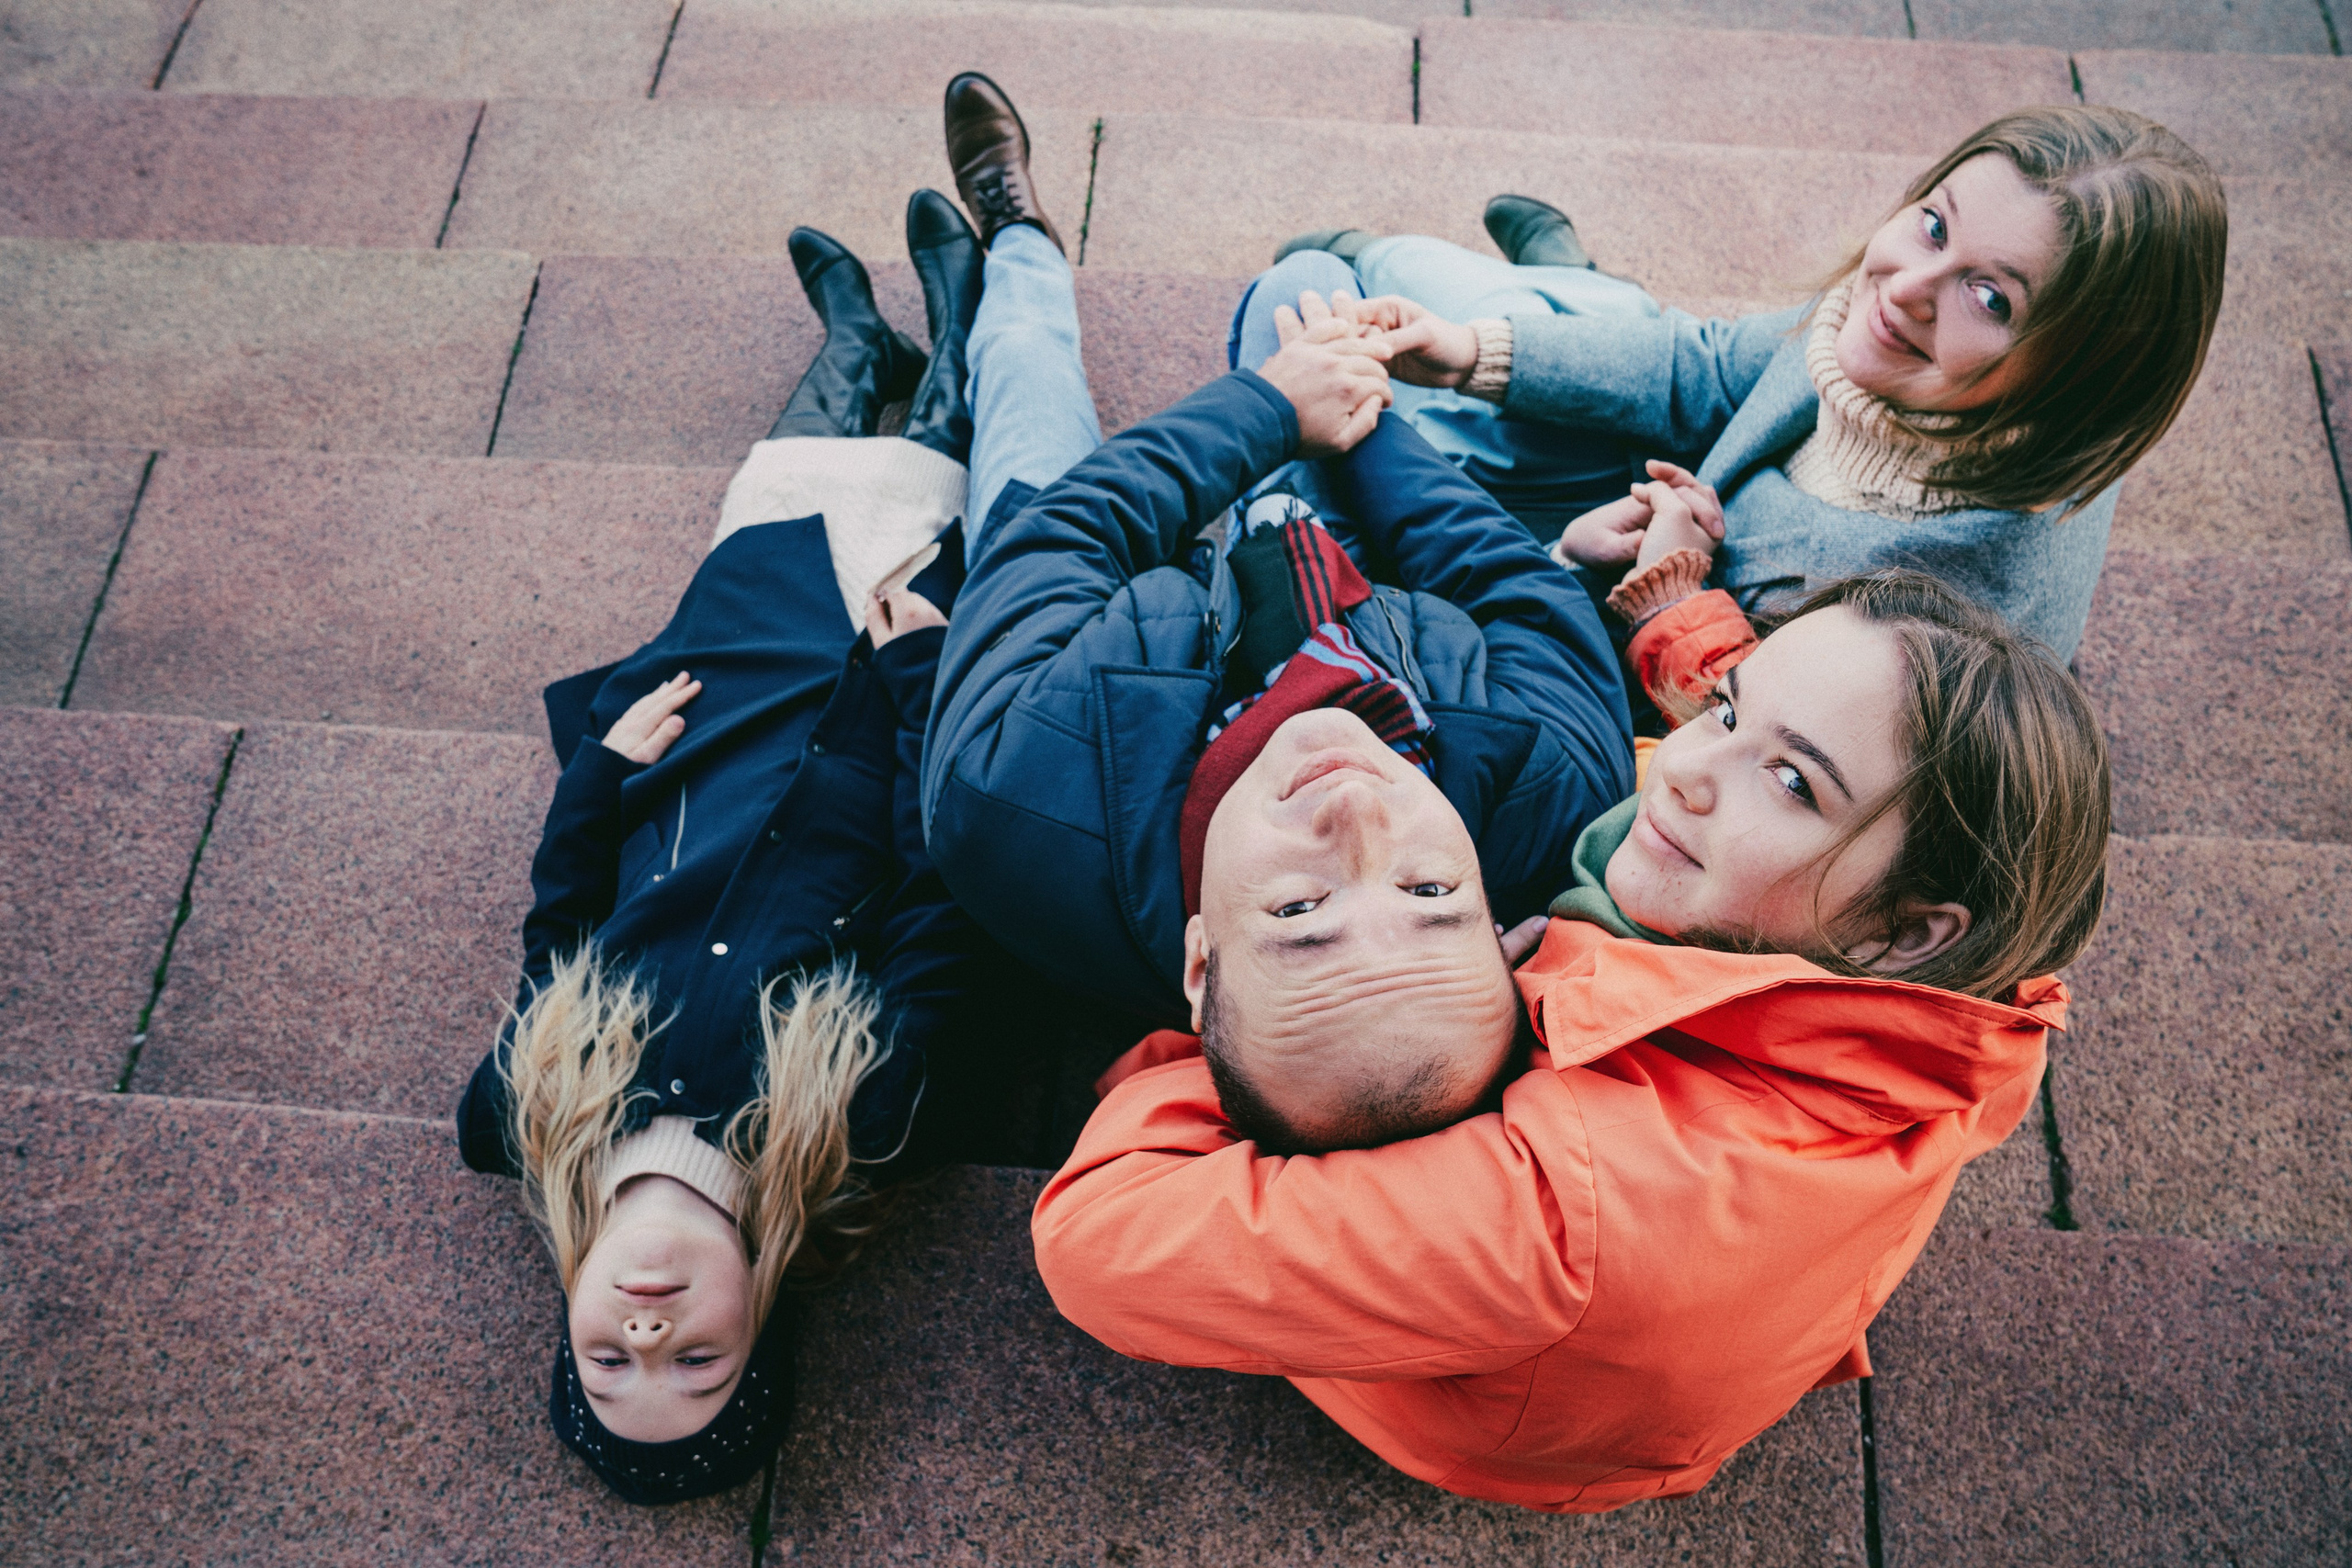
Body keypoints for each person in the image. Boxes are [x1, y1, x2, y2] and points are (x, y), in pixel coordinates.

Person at [1031, 567, 2112, 1513]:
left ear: (1904, 933)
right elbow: (1802, 729)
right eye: (1728, 709)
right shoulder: (1954, 997)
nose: (1683, 767)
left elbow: (1099, 1246)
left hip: (1521, 1404)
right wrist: (1689, 630)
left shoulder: (1561, 1212)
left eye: (1791, 783)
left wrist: (1203, 1037)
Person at [918, 75, 1636, 1153]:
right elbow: (1512, 583)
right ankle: (1552, 298)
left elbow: (1064, 539)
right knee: (1302, 285)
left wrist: (1263, 408)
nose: (1356, 819)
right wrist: (1354, 412)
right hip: (1316, 558)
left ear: (1202, 966)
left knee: (1020, 371)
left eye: (1300, 915)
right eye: (1430, 888)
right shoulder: (1558, 797)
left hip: (1101, 583)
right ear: (1502, 926)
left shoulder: (1008, 803)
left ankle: (1014, 240)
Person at [455, 185, 1031, 1505]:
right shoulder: (865, 1120)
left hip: (707, 740)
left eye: (611, 1361)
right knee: (917, 505)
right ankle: (946, 329)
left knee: (775, 504)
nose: (649, 1333)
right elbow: (939, 900)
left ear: (576, 1317)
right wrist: (917, 685)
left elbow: (557, 922)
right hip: (864, 725)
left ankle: (847, 345)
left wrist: (603, 771)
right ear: (762, 1310)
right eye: (697, 1361)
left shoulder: (523, 1115)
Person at [1251, 105, 2228, 661]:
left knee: (1298, 310)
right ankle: (1553, 288)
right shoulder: (1910, 348)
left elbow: (1703, 741)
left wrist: (1611, 578)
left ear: (2078, 377)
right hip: (1651, 490)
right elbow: (1713, 365)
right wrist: (1466, 354)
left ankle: (1563, 286)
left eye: (1990, 297)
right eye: (1934, 223)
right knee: (1429, 320)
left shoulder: (1933, 616)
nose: (1907, 289)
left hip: (1612, 594)